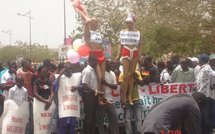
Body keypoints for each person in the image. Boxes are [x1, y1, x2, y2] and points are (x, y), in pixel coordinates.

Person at [115, 13, 142, 106]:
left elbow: (140, 45)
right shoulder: (123, 31)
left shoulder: (138, 32)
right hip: (126, 51)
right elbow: (120, 44)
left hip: (134, 52)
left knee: (132, 75)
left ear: (134, 22)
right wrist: (118, 55)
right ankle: (123, 97)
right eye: (127, 22)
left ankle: (129, 96)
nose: (128, 24)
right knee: (125, 76)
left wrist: (139, 56)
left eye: (130, 22)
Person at [81, 55, 103, 134]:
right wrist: (95, 92)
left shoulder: (93, 70)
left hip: (94, 96)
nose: (96, 63)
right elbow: (84, 86)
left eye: (97, 61)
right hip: (89, 96)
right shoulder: (87, 71)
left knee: (93, 116)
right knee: (89, 117)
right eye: (95, 61)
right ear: (90, 61)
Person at [97, 59, 120, 134]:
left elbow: (115, 86)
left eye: (112, 63)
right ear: (105, 65)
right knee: (100, 120)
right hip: (102, 99)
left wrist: (106, 83)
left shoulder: (112, 74)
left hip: (110, 100)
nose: (112, 65)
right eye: (110, 63)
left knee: (114, 119)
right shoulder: (101, 73)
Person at [119, 70, 143, 134]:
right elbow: (121, 88)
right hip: (127, 100)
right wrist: (123, 98)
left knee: (138, 118)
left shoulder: (136, 72)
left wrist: (135, 77)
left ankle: (139, 132)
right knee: (127, 119)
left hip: (136, 99)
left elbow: (141, 83)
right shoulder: (122, 74)